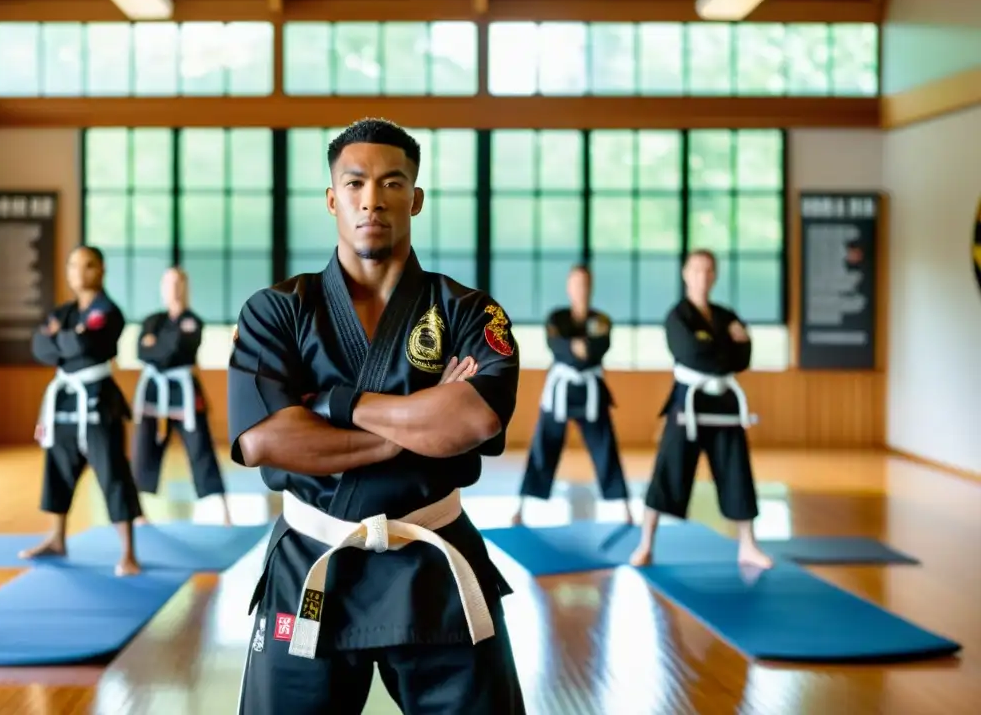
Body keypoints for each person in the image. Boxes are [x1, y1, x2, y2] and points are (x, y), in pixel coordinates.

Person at [228, 119, 526, 714]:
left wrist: (338, 404)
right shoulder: (277, 311)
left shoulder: (468, 311)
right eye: (355, 182)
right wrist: (409, 432)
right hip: (315, 559)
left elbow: (470, 423)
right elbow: (267, 439)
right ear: (333, 197)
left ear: (415, 198)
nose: (373, 199)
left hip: (434, 561)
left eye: (392, 183)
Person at [630, 249, 772, 569]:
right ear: (685, 273)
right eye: (696, 270)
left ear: (715, 275)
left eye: (709, 271)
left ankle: (747, 545)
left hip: (723, 401)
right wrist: (728, 344)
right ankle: (646, 543)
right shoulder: (677, 316)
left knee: (737, 468)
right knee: (669, 466)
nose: (703, 277)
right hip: (688, 401)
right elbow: (692, 353)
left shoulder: (724, 314)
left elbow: (743, 357)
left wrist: (720, 347)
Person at [20, 245, 142, 576]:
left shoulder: (108, 311)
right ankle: (57, 538)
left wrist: (65, 341)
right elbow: (40, 347)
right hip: (64, 399)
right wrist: (67, 339)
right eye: (73, 265)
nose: (79, 272)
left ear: (101, 270)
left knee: (113, 472)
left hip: (99, 400)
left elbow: (88, 346)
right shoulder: (63, 313)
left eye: (88, 265)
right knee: (58, 465)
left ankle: (128, 552)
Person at [511, 264, 632, 525]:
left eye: (586, 284)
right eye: (576, 284)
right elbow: (557, 347)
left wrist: (577, 347)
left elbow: (598, 348)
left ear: (591, 287)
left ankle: (625, 508)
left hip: (590, 390)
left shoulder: (601, 320)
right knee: (544, 445)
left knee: (605, 447)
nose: (581, 289)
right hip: (561, 390)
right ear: (569, 287)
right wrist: (574, 347)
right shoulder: (557, 317)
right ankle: (522, 507)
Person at [131, 267, 231, 525]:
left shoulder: (193, 321)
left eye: (178, 283)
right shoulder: (152, 319)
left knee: (201, 447)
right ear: (162, 288)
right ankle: (137, 512)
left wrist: (158, 345)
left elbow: (174, 350)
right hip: (154, 391)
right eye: (168, 284)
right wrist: (161, 346)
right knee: (143, 448)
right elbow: (142, 352)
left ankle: (223, 510)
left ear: (186, 288)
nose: (173, 289)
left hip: (184, 392)